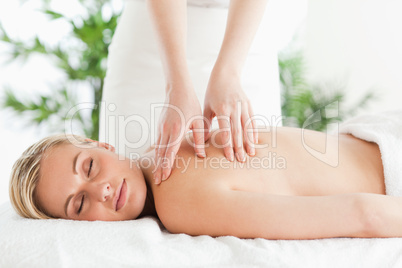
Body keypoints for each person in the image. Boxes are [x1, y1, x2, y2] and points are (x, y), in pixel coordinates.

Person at [10, 114, 402, 240]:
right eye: (79, 204)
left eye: (89, 167)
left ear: (102, 146)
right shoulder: (170, 157)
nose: (101, 190)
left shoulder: (179, 197)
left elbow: (366, 214)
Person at [99, 0, 282, 185]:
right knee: (126, 177)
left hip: (243, 32)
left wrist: (229, 74)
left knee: (255, 177)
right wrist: (175, 86)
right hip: (154, 34)